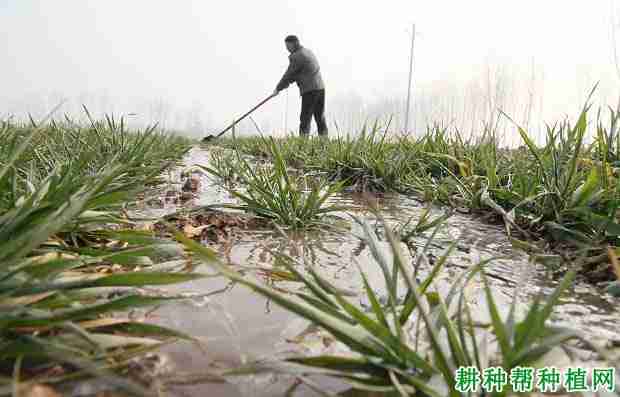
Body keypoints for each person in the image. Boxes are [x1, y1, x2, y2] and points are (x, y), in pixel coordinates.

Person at [273, 35, 328, 137]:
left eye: (287, 46)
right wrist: (287, 83)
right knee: (320, 117)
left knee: (305, 118)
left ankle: (302, 143)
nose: (287, 49)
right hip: (320, 88)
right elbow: (298, 73)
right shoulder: (308, 52)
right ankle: (324, 142)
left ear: (293, 44)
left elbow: (289, 75)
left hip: (310, 90)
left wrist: (278, 88)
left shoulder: (297, 56)